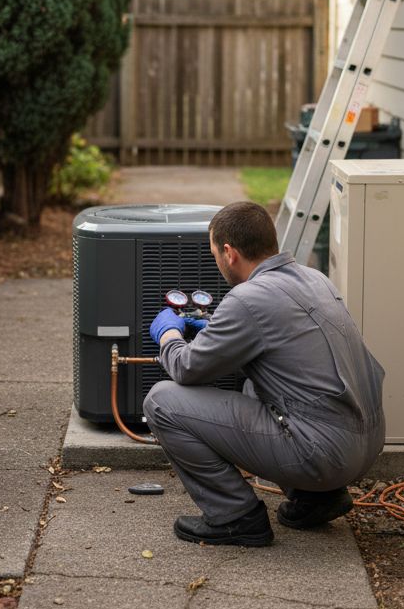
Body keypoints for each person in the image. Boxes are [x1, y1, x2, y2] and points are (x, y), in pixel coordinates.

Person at [143, 201, 385, 546]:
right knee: (254, 388)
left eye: (214, 253)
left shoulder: (248, 298)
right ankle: (318, 499)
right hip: (366, 442)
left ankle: (235, 517)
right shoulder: (314, 279)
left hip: (324, 455)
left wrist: (168, 334)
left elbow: (186, 368)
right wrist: (214, 328)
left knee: (161, 401)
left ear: (229, 253)